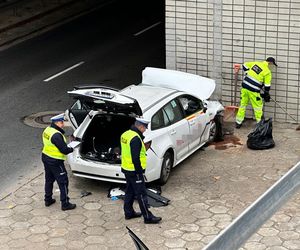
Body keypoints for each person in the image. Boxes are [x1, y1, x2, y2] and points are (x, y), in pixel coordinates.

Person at [120, 117, 162, 224]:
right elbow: (135, 158)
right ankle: (148, 217)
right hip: (135, 171)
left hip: (126, 168)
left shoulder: (125, 134)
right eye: (145, 128)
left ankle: (128, 213)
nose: (145, 130)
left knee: (129, 191)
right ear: (140, 126)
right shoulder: (135, 139)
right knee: (141, 194)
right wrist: (139, 172)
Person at [41, 113, 76, 211]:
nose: (63, 124)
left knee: (49, 179)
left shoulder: (48, 130)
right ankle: (65, 204)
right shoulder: (56, 135)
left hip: (46, 157)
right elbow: (64, 150)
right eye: (61, 122)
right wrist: (72, 148)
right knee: (63, 182)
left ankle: (48, 199)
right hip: (55, 161)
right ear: (56, 123)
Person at [235, 57, 277, 128]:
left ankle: (238, 122)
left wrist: (247, 73)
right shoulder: (267, 72)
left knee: (242, 105)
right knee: (257, 107)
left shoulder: (256, 63)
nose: (272, 67)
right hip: (253, 91)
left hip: (244, 87)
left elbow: (244, 65)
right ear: (270, 63)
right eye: (272, 65)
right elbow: (267, 85)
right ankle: (260, 125)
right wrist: (266, 93)